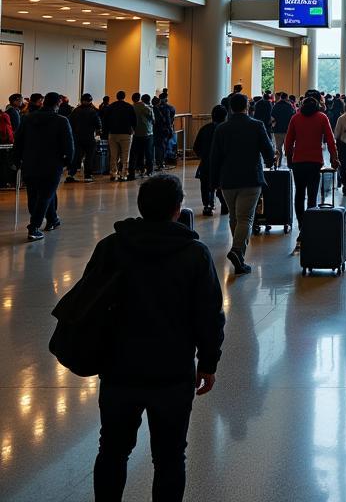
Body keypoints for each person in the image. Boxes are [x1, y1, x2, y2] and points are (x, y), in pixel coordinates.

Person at [84, 174, 224, 502]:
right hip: (172, 372)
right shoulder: (194, 254)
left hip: (119, 368)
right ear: (177, 209)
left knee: (113, 451)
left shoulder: (112, 247)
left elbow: (88, 303)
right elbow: (209, 314)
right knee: (170, 457)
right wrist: (207, 362)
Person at [210, 93, 275, 275]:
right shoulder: (256, 125)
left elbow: (215, 157)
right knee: (246, 218)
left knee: (234, 217)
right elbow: (267, 150)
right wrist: (271, 161)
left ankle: (239, 253)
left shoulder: (221, 129)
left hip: (228, 179)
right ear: (247, 107)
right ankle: (238, 251)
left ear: (230, 107)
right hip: (250, 178)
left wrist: (214, 182)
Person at [13, 91, 74, 241]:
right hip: (52, 165)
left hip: (30, 163)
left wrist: (16, 159)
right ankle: (34, 228)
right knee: (46, 195)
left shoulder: (27, 118)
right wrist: (68, 162)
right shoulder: (61, 121)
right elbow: (69, 144)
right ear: (58, 104)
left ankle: (53, 220)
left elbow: (18, 141)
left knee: (35, 195)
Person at [285, 94, 339, 245]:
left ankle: (301, 226)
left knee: (299, 194)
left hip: (298, 161)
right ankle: (309, 226)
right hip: (315, 161)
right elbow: (330, 139)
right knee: (312, 195)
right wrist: (334, 158)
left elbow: (288, 142)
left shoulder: (295, 118)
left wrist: (289, 160)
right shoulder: (322, 118)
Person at [193, 105, 227, 216]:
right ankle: (224, 204)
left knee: (206, 184)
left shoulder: (205, 129)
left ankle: (208, 205)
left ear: (212, 116)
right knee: (222, 184)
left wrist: (203, 156)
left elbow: (196, 147)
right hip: (223, 164)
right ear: (225, 116)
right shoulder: (227, 129)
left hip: (206, 163)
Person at [67, 93, 102, 183]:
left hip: (77, 138)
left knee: (76, 156)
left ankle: (70, 174)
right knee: (89, 157)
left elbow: (69, 123)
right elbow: (98, 125)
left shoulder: (75, 111)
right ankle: (87, 176)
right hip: (89, 137)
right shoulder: (93, 112)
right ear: (90, 101)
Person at [104, 90, 137, 182]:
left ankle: (113, 174)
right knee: (125, 156)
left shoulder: (110, 107)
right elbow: (134, 121)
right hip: (126, 134)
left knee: (114, 156)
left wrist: (108, 130)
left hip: (113, 134)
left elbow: (105, 120)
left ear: (116, 96)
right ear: (124, 97)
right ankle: (124, 175)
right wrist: (132, 130)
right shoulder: (129, 107)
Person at [131, 92, 156, 178]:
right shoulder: (146, 107)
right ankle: (149, 171)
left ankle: (140, 169)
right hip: (147, 133)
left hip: (136, 133)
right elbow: (153, 119)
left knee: (138, 153)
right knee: (148, 153)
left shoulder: (132, 107)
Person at [270, 92, 295, 167]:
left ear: (281, 97)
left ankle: (278, 164)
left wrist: (274, 126)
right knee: (288, 147)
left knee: (278, 148)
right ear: (287, 98)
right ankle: (289, 164)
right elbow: (293, 117)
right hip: (288, 130)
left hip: (277, 130)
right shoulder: (289, 106)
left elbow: (272, 117)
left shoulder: (276, 106)